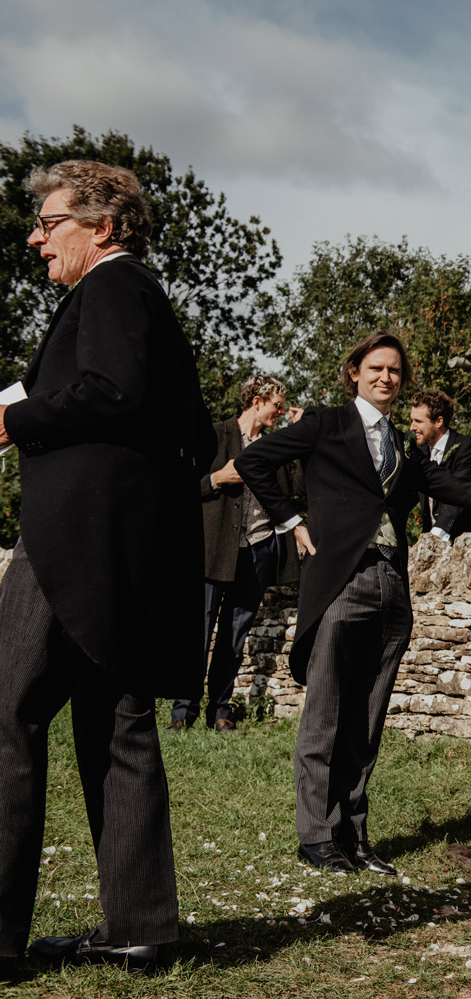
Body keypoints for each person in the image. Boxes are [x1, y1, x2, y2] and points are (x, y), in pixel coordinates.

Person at [0, 160, 214, 975]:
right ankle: (140, 926)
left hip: (72, 546)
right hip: (123, 552)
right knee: (113, 722)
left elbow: (112, 391)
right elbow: (186, 426)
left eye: (49, 222)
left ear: (103, 226)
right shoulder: (145, 299)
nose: (35, 237)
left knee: (6, 712)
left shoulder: (114, 288)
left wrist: (16, 419)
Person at [235, 332, 471, 877]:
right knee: (325, 715)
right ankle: (316, 836)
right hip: (341, 579)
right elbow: (256, 463)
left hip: (392, 583)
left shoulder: (405, 446)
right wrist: (291, 521)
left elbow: (458, 489)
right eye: (375, 368)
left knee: (367, 720)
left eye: (394, 370)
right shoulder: (325, 423)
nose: (386, 377)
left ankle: (354, 835)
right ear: (354, 372)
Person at [174, 373, 304, 733]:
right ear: (257, 400)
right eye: (277, 405)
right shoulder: (215, 434)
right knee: (197, 633)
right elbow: (178, 484)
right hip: (212, 549)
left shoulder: (277, 445)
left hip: (258, 551)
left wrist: (296, 438)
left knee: (234, 637)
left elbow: (298, 488)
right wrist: (217, 479)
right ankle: (182, 712)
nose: (279, 411)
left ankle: (220, 712)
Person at [410, 389, 471, 541]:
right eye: (412, 420)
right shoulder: (420, 453)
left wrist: (435, 537)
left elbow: (459, 496)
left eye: (419, 421)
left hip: (470, 542)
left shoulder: (468, 448)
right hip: (433, 544)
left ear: (439, 421)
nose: (412, 427)